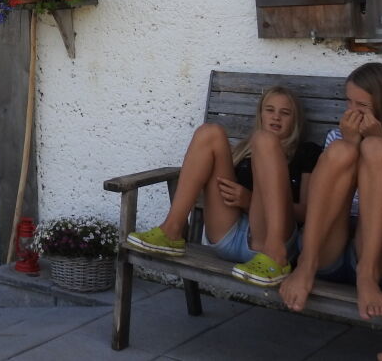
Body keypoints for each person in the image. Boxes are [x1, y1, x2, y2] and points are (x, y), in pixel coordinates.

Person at [126, 85, 320, 286]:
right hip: (229, 234)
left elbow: (307, 213)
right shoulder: (244, 150)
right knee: (210, 132)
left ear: (295, 120)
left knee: (265, 140)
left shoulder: (306, 153)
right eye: (269, 110)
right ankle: (171, 231)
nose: (276, 117)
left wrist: (249, 201)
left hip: (269, 241)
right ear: (260, 114)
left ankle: (274, 256)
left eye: (285, 113)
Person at [280, 61, 382, 319]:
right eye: (349, 102)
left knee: (376, 150)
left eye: (363, 106)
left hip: (381, 247)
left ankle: (367, 274)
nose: (353, 111)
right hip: (333, 239)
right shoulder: (336, 136)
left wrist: (379, 142)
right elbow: (322, 195)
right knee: (340, 151)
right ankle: (306, 264)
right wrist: (350, 142)